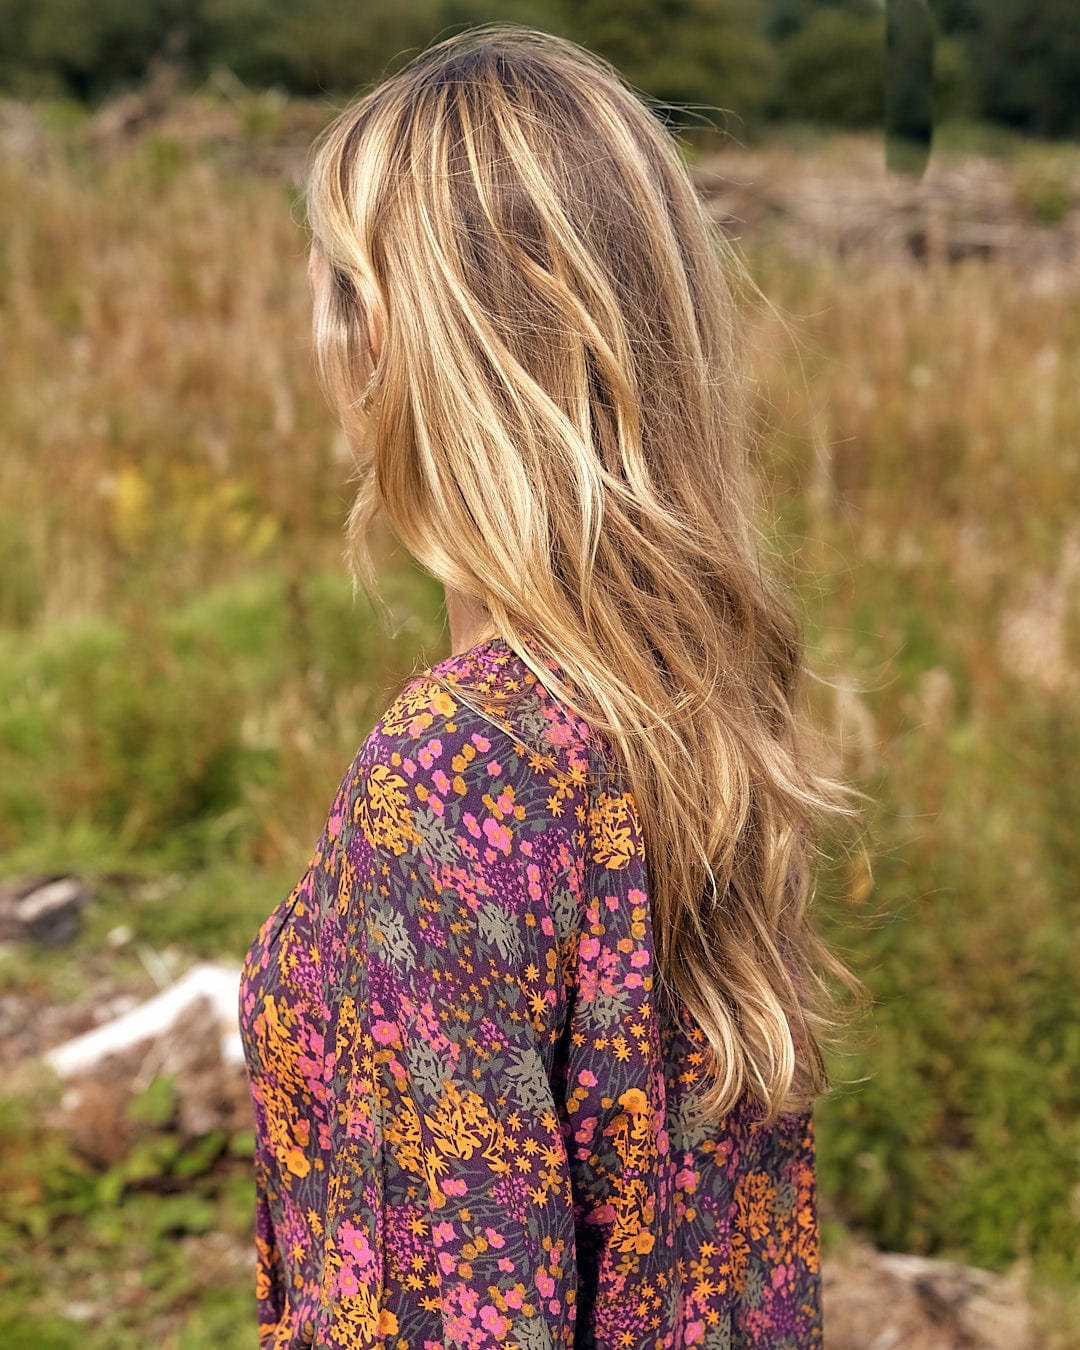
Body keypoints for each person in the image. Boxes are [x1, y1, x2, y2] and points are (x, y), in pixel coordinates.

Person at [238, 23, 863, 1349]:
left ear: (423, 348)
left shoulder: (458, 775)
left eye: (345, 285)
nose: (321, 333)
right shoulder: (699, 715)